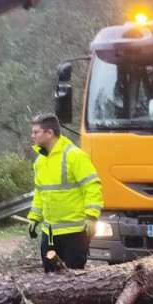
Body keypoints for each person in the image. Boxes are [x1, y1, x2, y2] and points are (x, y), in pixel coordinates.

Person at [26, 113, 103, 272]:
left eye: (36, 132)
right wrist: (34, 218)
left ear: (49, 133)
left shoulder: (74, 155)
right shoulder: (40, 161)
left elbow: (92, 186)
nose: (32, 136)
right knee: (50, 280)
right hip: (51, 233)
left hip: (75, 232)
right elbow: (40, 193)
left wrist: (92, 215)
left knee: (73, 280)